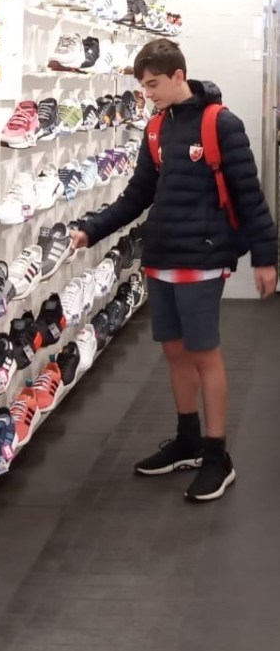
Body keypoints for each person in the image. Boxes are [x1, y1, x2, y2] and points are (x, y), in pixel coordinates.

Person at [70, 39, 277, 503]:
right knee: (175, 352)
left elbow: (249, 194)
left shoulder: (221, 124)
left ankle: (218, 456)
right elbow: (138, 194)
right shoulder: (156, 127)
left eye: (154, 84)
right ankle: (188, 440)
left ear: (179, 75)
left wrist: (266, 258)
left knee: (204, 354)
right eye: (144, 87)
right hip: (161, 258)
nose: (148, 94)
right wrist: (92, 229)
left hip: (203, 259)